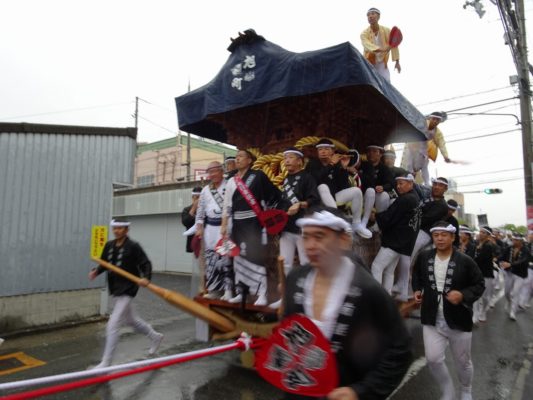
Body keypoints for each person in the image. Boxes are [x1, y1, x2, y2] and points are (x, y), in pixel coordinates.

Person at [283, 208, 412, 400]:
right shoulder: (295, 279)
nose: (310, 246)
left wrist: (360, 391)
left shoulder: (367, 289)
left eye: (319, 236)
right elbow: (287, 334)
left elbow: (400, 349)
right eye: (306, 237)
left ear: (343, 240)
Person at [412, 221, 484, 400]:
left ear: (452, 237)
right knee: (433, 359)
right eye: (436, 235)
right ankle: (447, 389)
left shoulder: (465, 261)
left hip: (458, 319)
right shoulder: (425, 256)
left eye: (444, 235)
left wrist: (462, 295)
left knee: (463, 362)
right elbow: (417, 275)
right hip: (431, 316)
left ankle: (466, 389)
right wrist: (417, 289)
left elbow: (479, 284)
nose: (440, 239)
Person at [88, 219, 163, 369]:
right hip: (115, 287)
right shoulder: (109, 245)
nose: (116, 231)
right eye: (114, 228)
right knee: (131, 321)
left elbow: (145, 263)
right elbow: (105, 263)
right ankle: (155, 336)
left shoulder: (133, 246)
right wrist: (96, 271)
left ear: (126, 230)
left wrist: (146, 278)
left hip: (128, 288)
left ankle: (106, 363)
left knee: (113, 324)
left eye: (120, 228)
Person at [221, 149, 282, 306]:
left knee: (256, 257)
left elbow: (274, 195)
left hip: (254, 222)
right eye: (236, 157)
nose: (238, 159)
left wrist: (269, 216)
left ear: (250, 160)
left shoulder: (258, 176)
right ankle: (242, 292)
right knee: (238, 258)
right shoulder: (231, 181)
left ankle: (262, 293)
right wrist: (224, 224)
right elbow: (227, 206)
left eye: (241, 156)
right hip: (236, 223)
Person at [305, 139, 372, 238]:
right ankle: (337, 218)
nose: (323, 151)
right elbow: (316, 180)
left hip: (333, 199)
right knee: (322, 186)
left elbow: (343, 186)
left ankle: (357, 224)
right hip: (317, 200)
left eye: (326, 149)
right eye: (320, 149)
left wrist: (343, 168)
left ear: (332, 151)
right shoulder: (312, 164)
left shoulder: (337, 164)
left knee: (356, 191)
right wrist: (331, 164)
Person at [371, 174, 421, 301]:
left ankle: (377, 299)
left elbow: (389, 217)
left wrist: (375, 216)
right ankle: (386, 300)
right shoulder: (415, 198)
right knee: (388, 271)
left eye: (401, 183)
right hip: (403, 243)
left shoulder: (405, 199)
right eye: (397, 183)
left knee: (377, 266)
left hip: (395, 242)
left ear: (410, 184)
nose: (398, 186)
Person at [195, 161, 233, 300]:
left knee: (226, 258)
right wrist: (199, 226)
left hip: (226, 227)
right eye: (210, 172)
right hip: (210, 229)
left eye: (215, 171)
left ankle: (228, 290)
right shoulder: (205, 190)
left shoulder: (230, 184)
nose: (212, 174)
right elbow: (200, 211)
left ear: (222, 171)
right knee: (211, 259)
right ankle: (213, 289)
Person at [402, 112, 450, 186]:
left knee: (424, 167)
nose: (435, 121)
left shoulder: (437, 132)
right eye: (434, 119)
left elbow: (442, 144)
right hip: (412, 147)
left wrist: (445, 156)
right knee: (409, 164)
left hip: (423, 151)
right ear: (430, 118)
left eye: (437, 120)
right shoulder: (421, 124)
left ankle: (427, 184)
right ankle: (410, 178)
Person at [411, 177, 449, 261]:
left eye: (440, 185)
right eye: (435, 184)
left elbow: (425, 220)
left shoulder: (442, 206)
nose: (436, 187)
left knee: (409, 255)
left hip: (424, 233)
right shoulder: (427, 196)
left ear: (445, 189)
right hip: (413, 227)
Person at [358, 145, 395, 228]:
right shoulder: (361, 165)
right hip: (361, 195)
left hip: (376, 198)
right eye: (369, 151)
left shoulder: (384, 169)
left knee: (384, 195)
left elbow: (391, 183)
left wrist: (383, 187)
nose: (371, 154)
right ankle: (364, 221)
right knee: (369, 191)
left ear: (380, 154)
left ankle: (378, 224)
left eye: (374, 151)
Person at [360, 7, 401, 82]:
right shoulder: (364, 34)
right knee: (369, 82)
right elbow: (367, 46)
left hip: (382, 61)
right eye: (368, 15)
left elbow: (394, 45)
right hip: (369, 62)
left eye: (373, 14)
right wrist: (382, 49)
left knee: (387, 81)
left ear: (378, 16)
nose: (370, 16)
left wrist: (397, 62)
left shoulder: (387, 31)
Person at [499, 233, 529, 320]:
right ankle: (509, 302)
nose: (514, 241)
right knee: (507, 292)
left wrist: (510, 264)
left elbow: (522, 260)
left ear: (521, 241)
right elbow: (502, 256)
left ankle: (513, 311)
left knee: (515, 293)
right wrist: (497, 259)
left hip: (520, 275)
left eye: (516, 240)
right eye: (513, 239)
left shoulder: (525, 250)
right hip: (509, 273)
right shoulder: (509, 248)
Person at [473, 226, 495, 323]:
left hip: (486, 274)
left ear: (488, 235)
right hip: (477, 274)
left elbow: (481, 259)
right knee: (476, 295)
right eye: (480, 232)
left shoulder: (488, 246)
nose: (480, 233)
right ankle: (475, 314)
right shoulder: (476, 243)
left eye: (483, 232)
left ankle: (483, 312)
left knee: (485, 297)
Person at [181, 187, 202, 253]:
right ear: (192, 198)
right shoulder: (187, 209)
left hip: (205, 242)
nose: (198, 200)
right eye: (196, 197)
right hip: (193, 243)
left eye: (199, 197)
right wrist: (193, 208)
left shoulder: (207, 209)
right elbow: (185, 222)